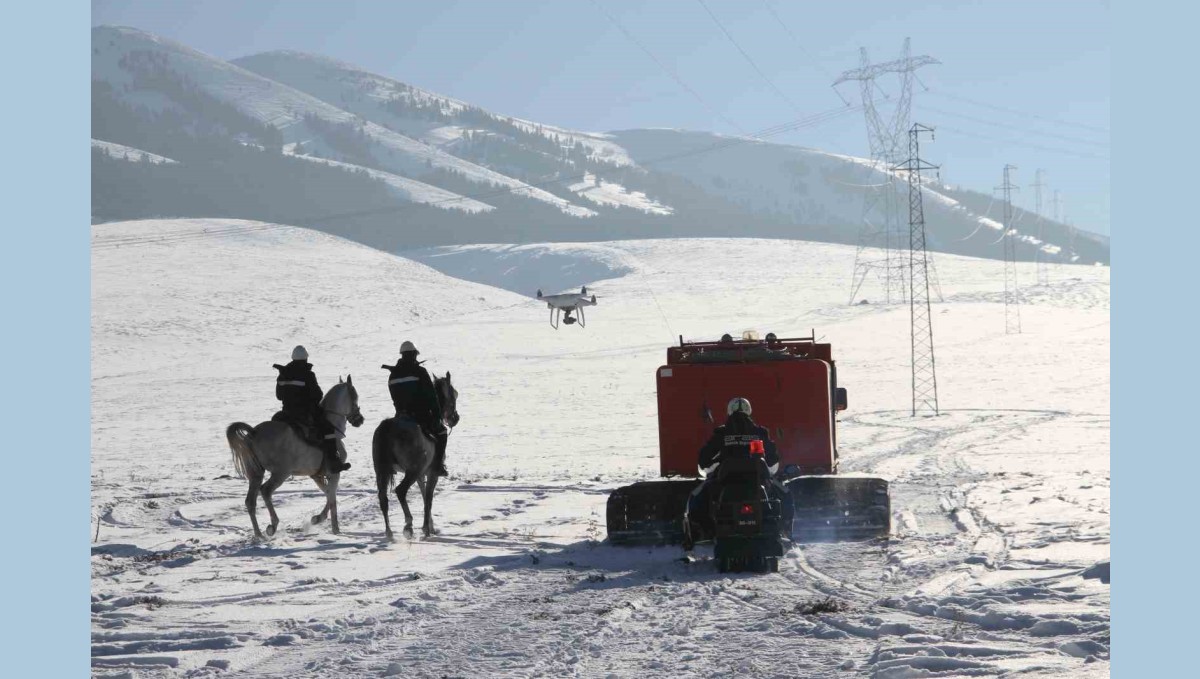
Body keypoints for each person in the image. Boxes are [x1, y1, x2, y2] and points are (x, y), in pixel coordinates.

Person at [683, 397, 780, 550]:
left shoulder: (722, 433)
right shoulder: (759, 432)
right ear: (749, 411)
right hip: (755, 481)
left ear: (729, 411)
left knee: (697, 497)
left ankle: (699, 536)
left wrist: (712, 463)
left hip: (726, 481)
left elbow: (704, 458)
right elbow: (772, 458)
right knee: (780, 492)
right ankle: (784, 531)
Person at [274, 345, 351, 474]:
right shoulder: (308, 374)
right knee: (328, 429)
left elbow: (279, 396)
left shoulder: (282, 374)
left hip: (286, 413)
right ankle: (333, 462)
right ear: (305, 358)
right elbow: (318, 395)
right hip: (303, 414)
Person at [382, 341, 449, 477]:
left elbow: (395, 398)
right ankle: (438, 465)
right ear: (413, 355)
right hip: (420, 416)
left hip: (400, 415)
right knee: (442, 432)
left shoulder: (393, 375)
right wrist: (436, 417)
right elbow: (432, 397)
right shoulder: (420, 371)